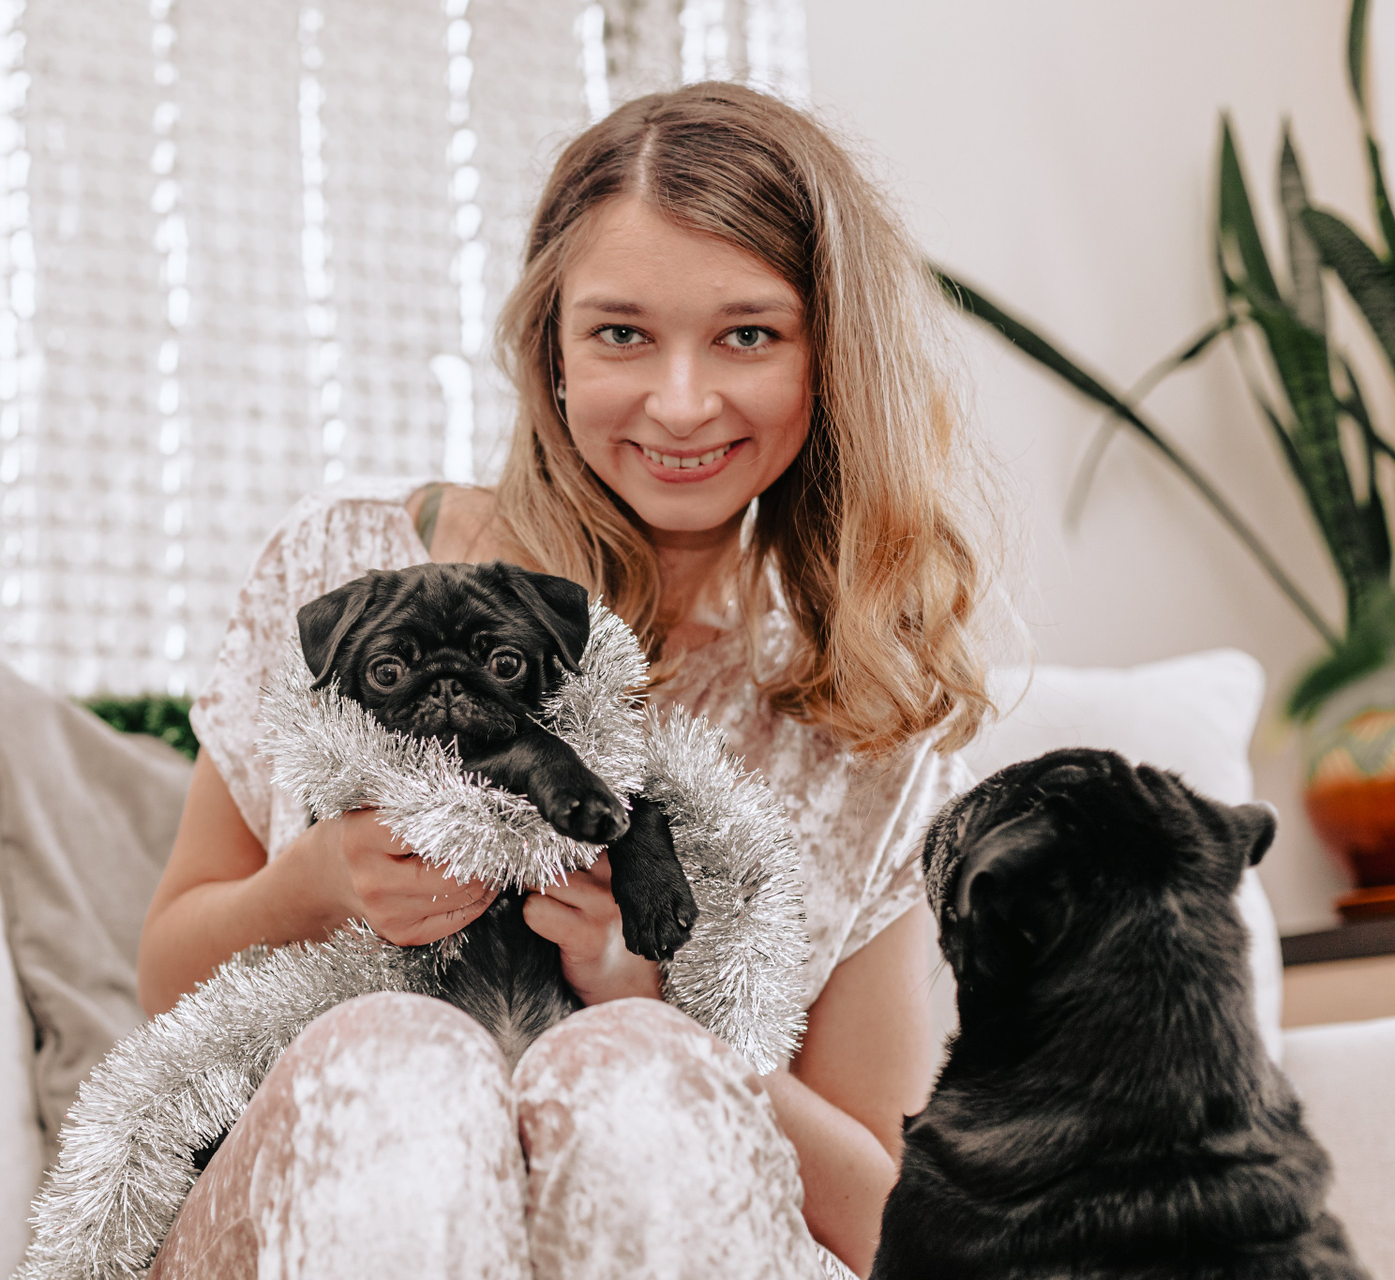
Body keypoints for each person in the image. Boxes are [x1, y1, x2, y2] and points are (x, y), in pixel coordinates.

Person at [135, 81, 992, 1280]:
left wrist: (661, 1004)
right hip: (314, 1210)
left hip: (672, 1222)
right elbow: (167, 982)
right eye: (621, 334)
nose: (680, 401)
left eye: (748, 334)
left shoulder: (860, 717)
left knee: (633, 1067)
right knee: (398, 1053)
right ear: (551, 348)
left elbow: (884, 1221)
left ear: (831, 355)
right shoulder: (349, 572)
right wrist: (314, 883)